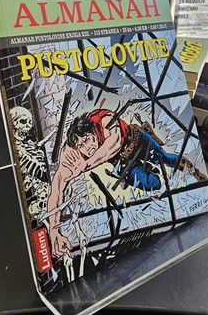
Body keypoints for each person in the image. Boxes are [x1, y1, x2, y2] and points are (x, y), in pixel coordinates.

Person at [47, 109, 179, 257]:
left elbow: (114, 142)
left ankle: (185, 166)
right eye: (80, 146)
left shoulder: (102, 119)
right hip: (122, 161)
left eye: (87, 140)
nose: (86, 148)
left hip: (137, 139)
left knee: (165, 158)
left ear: (92, 132)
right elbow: (56, 188)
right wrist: (54, 230)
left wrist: (86, 164)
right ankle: (148, 169)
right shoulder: (71, 152)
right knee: (154, 184)